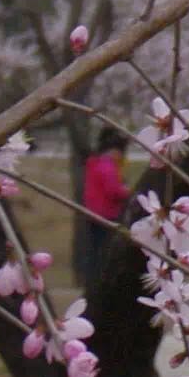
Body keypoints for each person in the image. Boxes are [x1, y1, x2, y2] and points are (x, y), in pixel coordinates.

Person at [75, 124, 130, 292]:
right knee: (105, 250)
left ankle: (91, 280)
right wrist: (127, 191)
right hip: (107, 215)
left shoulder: (94, 163)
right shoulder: (108, 165)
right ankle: (101, 282)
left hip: (93, 214)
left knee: (95, 249)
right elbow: (113, 191)